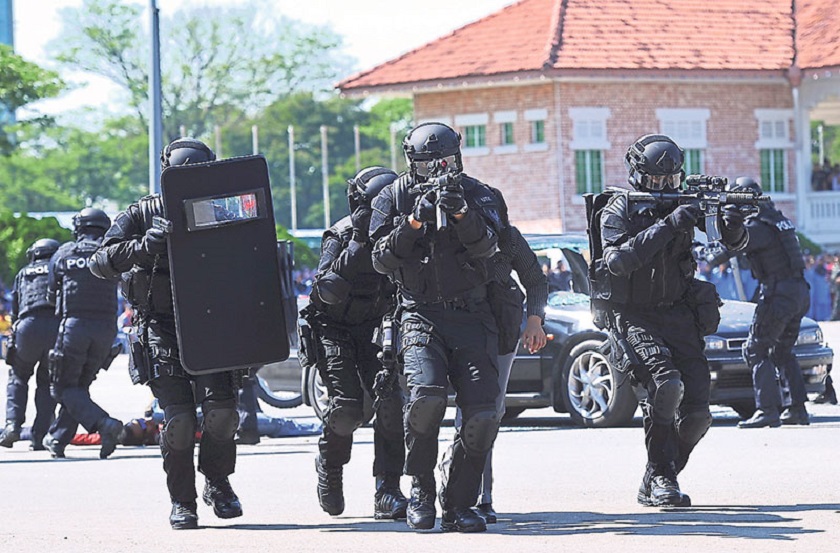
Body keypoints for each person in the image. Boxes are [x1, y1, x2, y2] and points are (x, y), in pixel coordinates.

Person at [89, 138, 242, 530]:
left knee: (222, 414)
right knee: (178, 420)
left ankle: (218, 482)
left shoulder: (225, 207)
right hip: (161, 325)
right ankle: (183, 501)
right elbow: (101, 261)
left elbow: (253, 258)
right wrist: (144, 246)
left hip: (214, 322)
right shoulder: (143, 213)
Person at [589, 134, 747, 507]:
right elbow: (618, 261)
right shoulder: (619, 209)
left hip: (678, 312)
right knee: (666, 386)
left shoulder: (684, 204)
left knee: (697, 414)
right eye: (656, 182)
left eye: (671, 181)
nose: (665, 188)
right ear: (638, 176)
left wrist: (732, 221)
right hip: (633, 314)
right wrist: (670, 223)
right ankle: (661, 476)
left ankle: (660, 473)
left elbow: (731, 242)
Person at [369, 122, 503, 533]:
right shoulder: (392, 196)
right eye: (429, 164)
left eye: (445, 161)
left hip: (470, 316)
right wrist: (410, 225)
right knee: (426, 398)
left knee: (482, 414)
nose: (439, 169)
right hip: (420, 313)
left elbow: (490, 249)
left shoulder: (480, 194)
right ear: (413, 163)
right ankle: (422, 488)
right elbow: (379, 259)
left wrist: (462, 214)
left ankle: (459, 501)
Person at [305, 166, 407, 520]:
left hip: (376, 327)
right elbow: (326, 291)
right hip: (334, 327)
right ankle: (330, 467)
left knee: (392, 403)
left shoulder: (402, 233)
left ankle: (388, 489)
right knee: (347, 408)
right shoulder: (341, 234)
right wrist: (360, 241)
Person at [450, 187, 548, 523]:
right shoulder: (443, 238)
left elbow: (535, 279)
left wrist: (534, 322)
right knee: (446, 411)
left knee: (487, 413)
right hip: (453, 330)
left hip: (500, 334)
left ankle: (481, 496)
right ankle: (442, 489)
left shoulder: (508, 238)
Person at [720, 177, 812, 428]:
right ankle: (797, 409)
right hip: (798, 291)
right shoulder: (777, 219)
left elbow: (727, 250)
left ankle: (767, 410)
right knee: (782, 350)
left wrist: (711, 244)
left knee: (755, 348)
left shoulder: (758, 227)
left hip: (779, 293)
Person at [44, 208, 123, 460]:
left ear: (79, 228)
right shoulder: (111, 253)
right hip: (107, 331)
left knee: (63, 387)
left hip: (75, 327)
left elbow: (51, 293)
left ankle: (104, 423)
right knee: (79, 387)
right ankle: (58, 439)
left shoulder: (65, 253)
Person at [0, 239, 61, 450]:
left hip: (28, 327)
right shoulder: (59, 269)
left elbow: (15, 308)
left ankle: (12, 427)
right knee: (46, 383)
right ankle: (39, 436)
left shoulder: (24, 273)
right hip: (55, 328)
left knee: (18, 377)